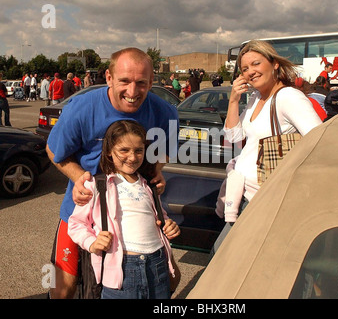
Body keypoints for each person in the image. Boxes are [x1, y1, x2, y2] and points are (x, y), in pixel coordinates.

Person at [46, 47, 179, 299]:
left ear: (152, 81)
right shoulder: (82, 108)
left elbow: (164, 151)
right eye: (125, 81)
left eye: (141, 83)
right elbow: (54, 150)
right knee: (63, 287)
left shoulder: (165, 113)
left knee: (166, 280)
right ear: (108, 77)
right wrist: (79, 178)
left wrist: (157, 172)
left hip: (132, 215)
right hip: (84, 207)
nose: (132, 91)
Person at [212, 40, 322, 255]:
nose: (250, 72)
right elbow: (233, 137)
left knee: (224, 257)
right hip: (246, 195)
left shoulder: (288, 97)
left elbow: (318, 141)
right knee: (227, 258)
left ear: (274, 65)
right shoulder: (256, 98)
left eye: (256, 64)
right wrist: (234, 100)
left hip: (267, 200)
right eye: (245, 69)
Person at [68, 120, 180, 299]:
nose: (132, 157)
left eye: (138, 151)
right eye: (124, 150)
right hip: (121, 270)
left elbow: (159, 216)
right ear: (110, 152)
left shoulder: (149, 185)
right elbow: (76, 223)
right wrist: (92, 242)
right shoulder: (97, 185)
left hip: (157, 264)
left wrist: (168, 225)